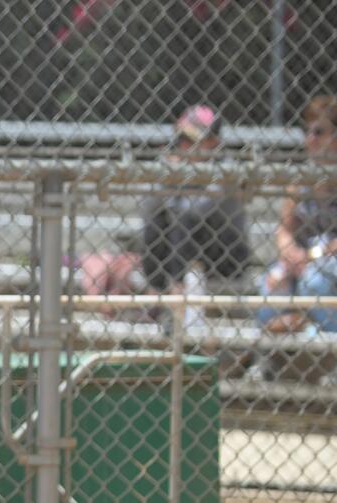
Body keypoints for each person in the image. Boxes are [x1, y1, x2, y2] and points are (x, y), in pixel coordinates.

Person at [138, 105, 251, 331]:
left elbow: (198, 211)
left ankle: (174, 294)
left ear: (214, 143)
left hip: (225, 254)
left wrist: (176, 185)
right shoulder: (171, 165)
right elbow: (146, 209)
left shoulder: (225, 169)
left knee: (183, 219)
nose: (184, 147)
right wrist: (169, 177)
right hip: (179, 250)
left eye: (192, 141)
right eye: (181, 139)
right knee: (157, 224)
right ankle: (158, 292)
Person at [258, 95, 337, 338]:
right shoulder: (302, 178)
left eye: (319, 132)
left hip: (326, 259)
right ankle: (276, 350)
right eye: (308, 131)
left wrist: (310, 257)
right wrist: (289, 252)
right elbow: (285, 228)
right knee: (271, 283)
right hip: (306, 258)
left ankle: (326, 347)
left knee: (315, 282)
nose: (310, 139)